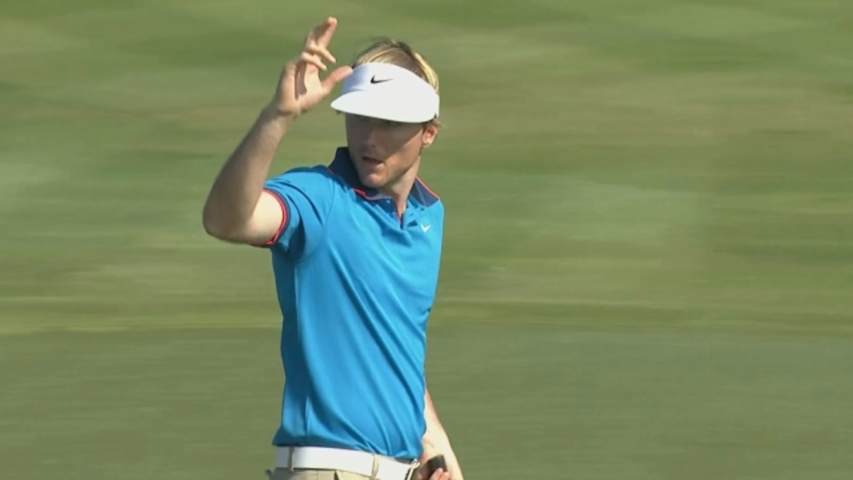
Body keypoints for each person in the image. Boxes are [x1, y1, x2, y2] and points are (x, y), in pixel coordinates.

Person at [202, 16, 464, 480]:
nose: (369, 138)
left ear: (428, 131)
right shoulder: (319, 198)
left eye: (389, 122)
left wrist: (437, 451)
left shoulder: (429, 217)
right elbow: (227, 219)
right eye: (360, 117)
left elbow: (398, 347)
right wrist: (278, 117)